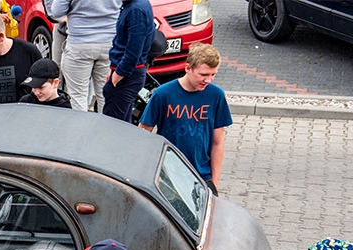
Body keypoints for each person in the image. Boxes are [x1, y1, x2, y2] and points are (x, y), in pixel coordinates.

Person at [139, 43, 232, 195]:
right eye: (203, 75)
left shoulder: (216, 95)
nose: (208, 80)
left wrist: (214, 181)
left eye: (212, 75)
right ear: (188, 68)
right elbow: (143, 133)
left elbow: (218, 141)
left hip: (202, 175)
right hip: (168, 175)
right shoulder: (163, 94)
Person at [47, 0, 120, 113]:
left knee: (78, 96)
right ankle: (106, 129)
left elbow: (56, 11)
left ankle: (80, 129)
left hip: (80, 42)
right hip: (109, 42)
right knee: (105, 94)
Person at [101, 0, 154, 123]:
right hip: (129, 72)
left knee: (112, 126)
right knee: (123, 124)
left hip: (128, 76)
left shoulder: (136, 10)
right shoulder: (136, 5)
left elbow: (134, 50)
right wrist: (114, 68)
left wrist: (119, 73)